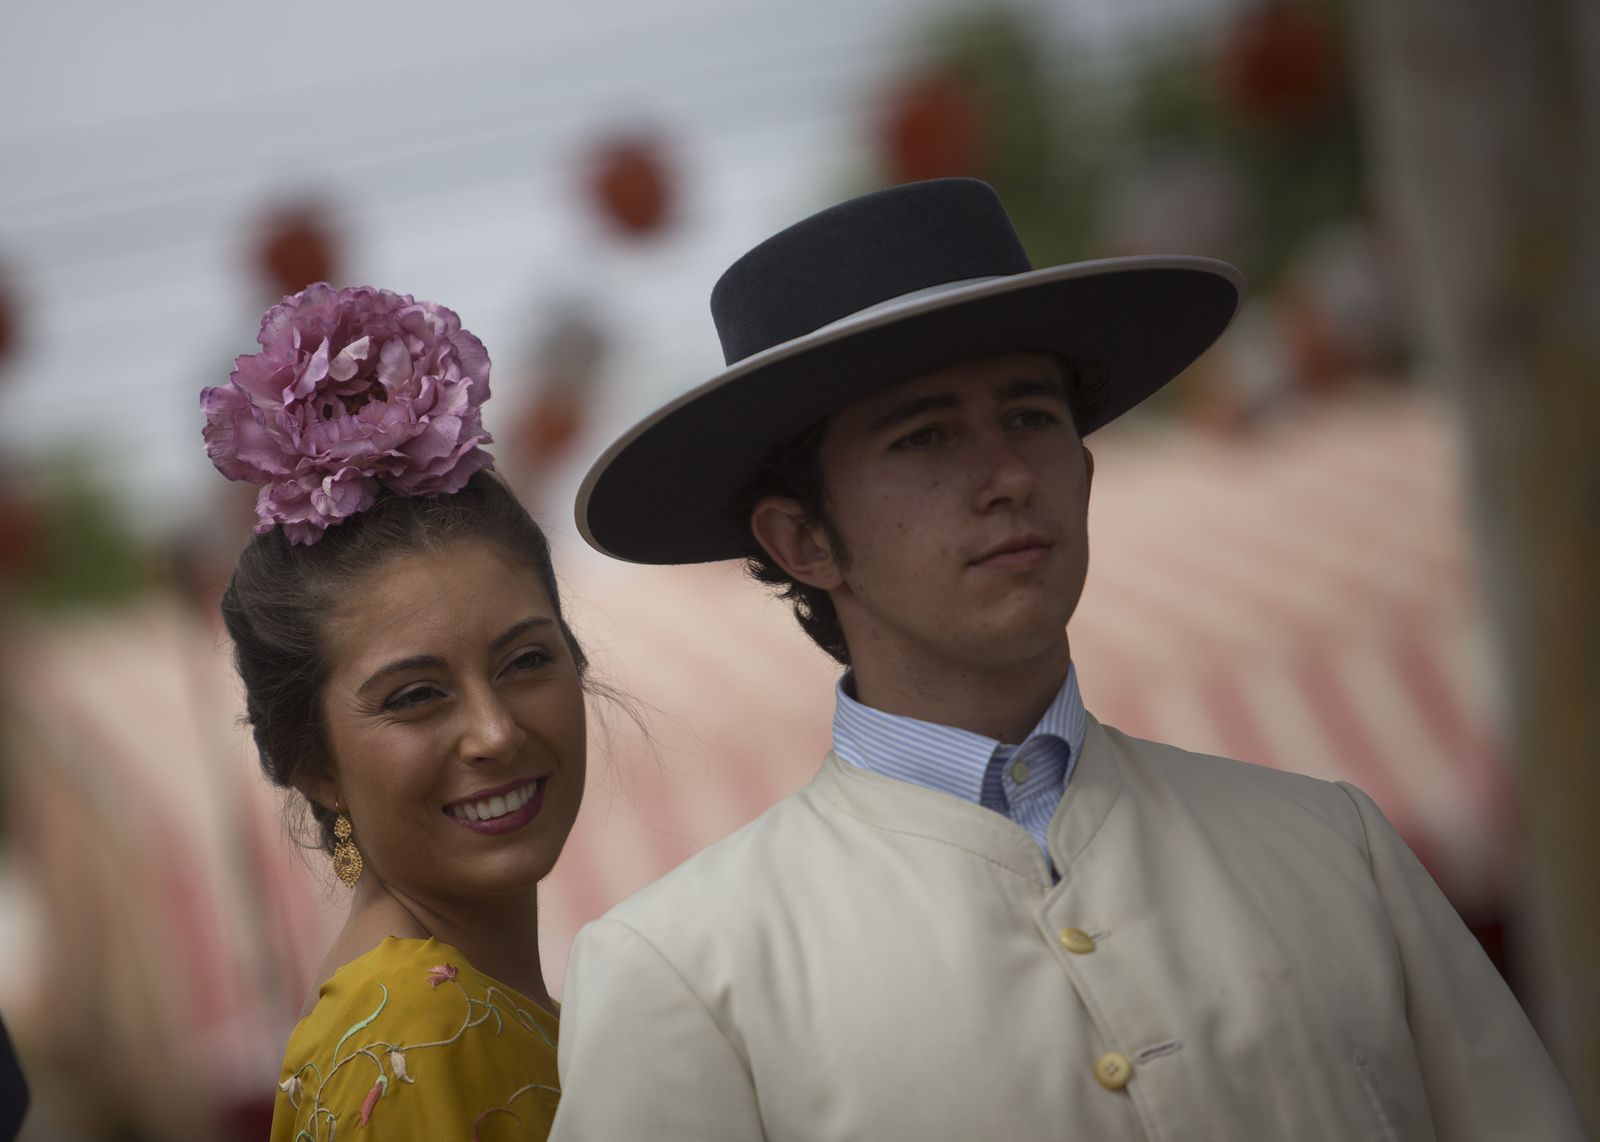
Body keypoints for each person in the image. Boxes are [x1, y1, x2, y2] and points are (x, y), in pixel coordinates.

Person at [550, 179, 1588, 1139]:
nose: (1005, 472)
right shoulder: (681, 973)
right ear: (801, 541)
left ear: (1084, 472)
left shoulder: (1337, 846)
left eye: (1031, 416)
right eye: (923, 437)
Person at [202, 284, 587, 1141]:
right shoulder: (416, 1030)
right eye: (415, 696)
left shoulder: (459, 1009)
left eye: (526, 661)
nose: (495, 733)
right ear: (317, 764)